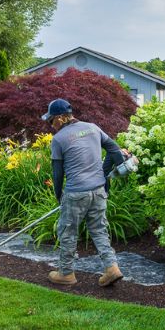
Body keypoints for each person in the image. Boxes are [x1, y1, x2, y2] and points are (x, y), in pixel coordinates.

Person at [42, 98, 126, 286]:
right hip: (97, 191)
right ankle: (112, 268)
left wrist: (59, 196)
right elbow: (113, 149)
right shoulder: (93, 128)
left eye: (51, 120)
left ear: (62, 118)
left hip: (76, 193)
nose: (50, 125)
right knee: (99, 230)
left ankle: (66, 273)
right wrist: (106, 175)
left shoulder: (59, 139)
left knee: (68, 232)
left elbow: (58, 174)